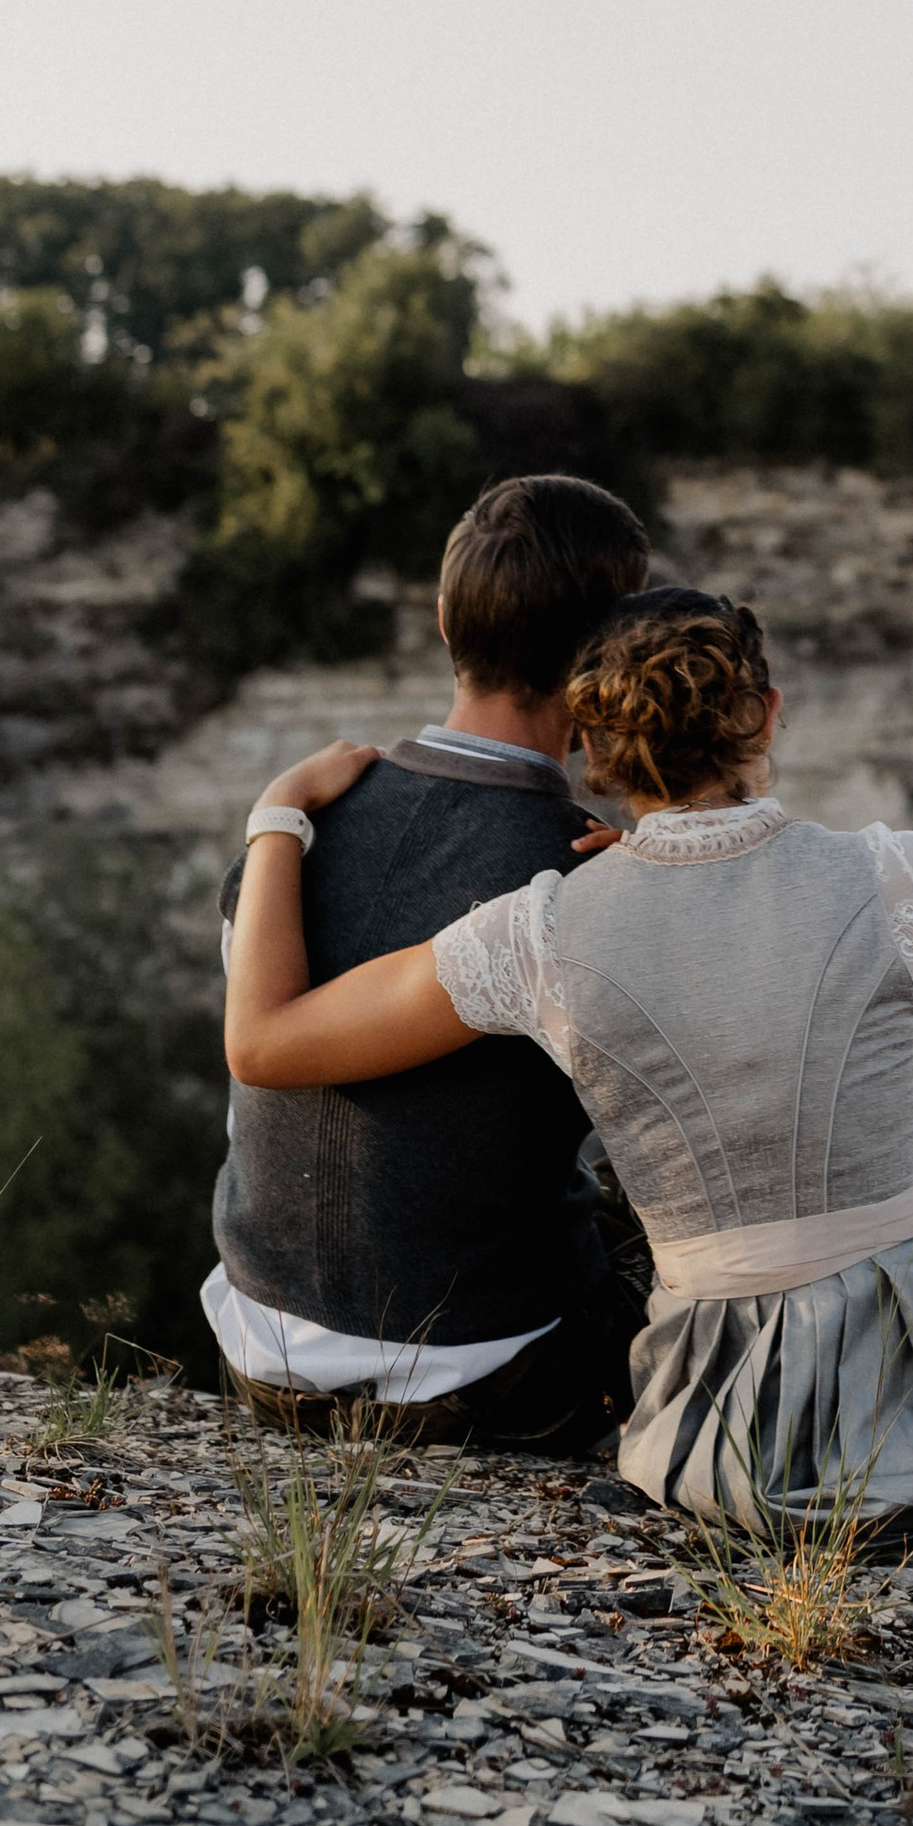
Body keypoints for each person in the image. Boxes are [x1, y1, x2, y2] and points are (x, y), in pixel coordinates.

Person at [223, 589, 913, 1612]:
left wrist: (280, 812)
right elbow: (882, 1072)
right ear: (765, 712)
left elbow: (269, 1041)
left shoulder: (542, 929)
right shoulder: (899, 868)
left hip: (707, 1423)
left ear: (597, 750)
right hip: (909, 1358)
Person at [203, 473, 655, 1452]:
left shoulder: (296, 834)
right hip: (481, 1380)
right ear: (611, 654)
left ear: (445, 617)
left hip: (257, 1350)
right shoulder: (578, 872)